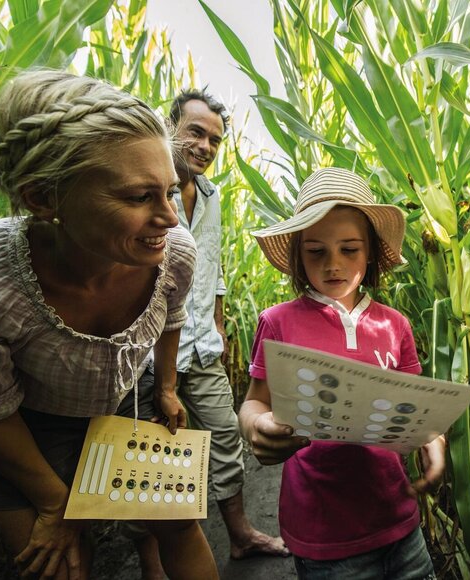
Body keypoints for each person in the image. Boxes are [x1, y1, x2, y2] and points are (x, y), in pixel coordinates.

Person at [0, 70, 217, 580]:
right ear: (42, 198)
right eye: (139, 197)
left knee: (179, 525)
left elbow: (171, 318)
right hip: (27, 427)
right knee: (58, 562)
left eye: (170, 191)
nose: (170, 218)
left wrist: (167, 388)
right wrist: (56, 505)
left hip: (126, 399)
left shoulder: (173, 254)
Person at [240, 167, 446, 579]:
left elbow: (416, 409)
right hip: (323, 532)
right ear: (298, 255)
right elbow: (254, 402)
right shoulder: (278, 322)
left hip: (399, 520)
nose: (333, 264)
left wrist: (433, 439)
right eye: (316, 251)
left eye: (349, 249)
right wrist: (256, 425)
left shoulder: (395, 325)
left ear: (371, 252)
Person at [122, 89, 287, 577]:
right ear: (169, 126)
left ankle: (240, 536)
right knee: (147, 458)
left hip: (201, 347)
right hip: (148, 357)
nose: (205, 146)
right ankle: (151, 564)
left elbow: (211, 265)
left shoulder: (211, 198)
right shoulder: (144, 192)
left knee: (225, 437)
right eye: (195, 132)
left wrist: (216, 319)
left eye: (214, 139)